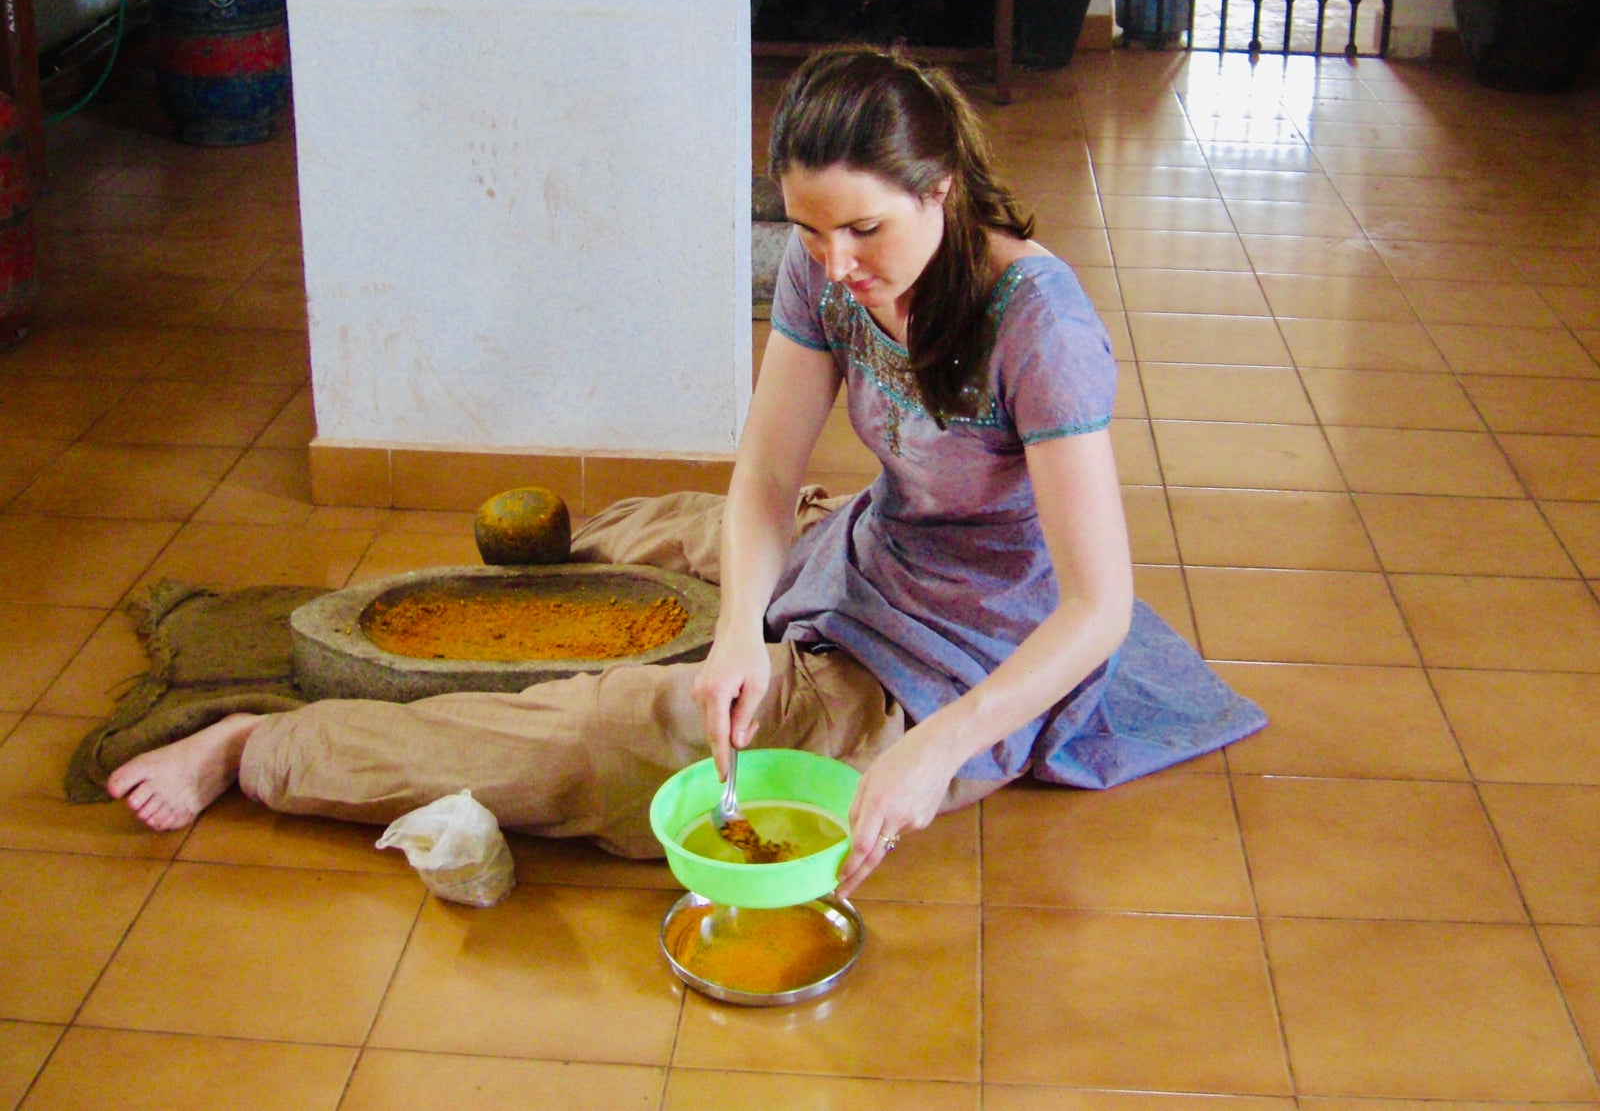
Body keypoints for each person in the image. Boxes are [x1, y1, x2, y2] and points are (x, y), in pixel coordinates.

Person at [109, 46, 1264, 898]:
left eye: (863, 230)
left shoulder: (1037, 326)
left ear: (941, 187)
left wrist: (939, 743)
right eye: (808, 231)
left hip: (952, 653)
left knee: (604, 739)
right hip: (866, 539)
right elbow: (763, 473)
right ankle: (389, 642)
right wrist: (735, 638)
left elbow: (1097, 607)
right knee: (651, 530)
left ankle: (255, 744)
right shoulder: (825, 267)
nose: (834, 262)